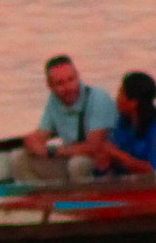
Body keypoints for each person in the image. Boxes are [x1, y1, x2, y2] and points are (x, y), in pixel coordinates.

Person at [15, 55, 118, 184]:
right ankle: (40, 199)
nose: (68, 87)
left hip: (104, 161)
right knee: (19, 158)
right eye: (60, 83)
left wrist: (52, 151)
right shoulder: (54, 100)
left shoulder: (98, 97)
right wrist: (32, 142)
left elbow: (95, 146)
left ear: (78, 76)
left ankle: (84, 201)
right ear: (50, 86)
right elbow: (42, 133)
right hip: (69, 156)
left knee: (77, 164)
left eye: (71, 80)